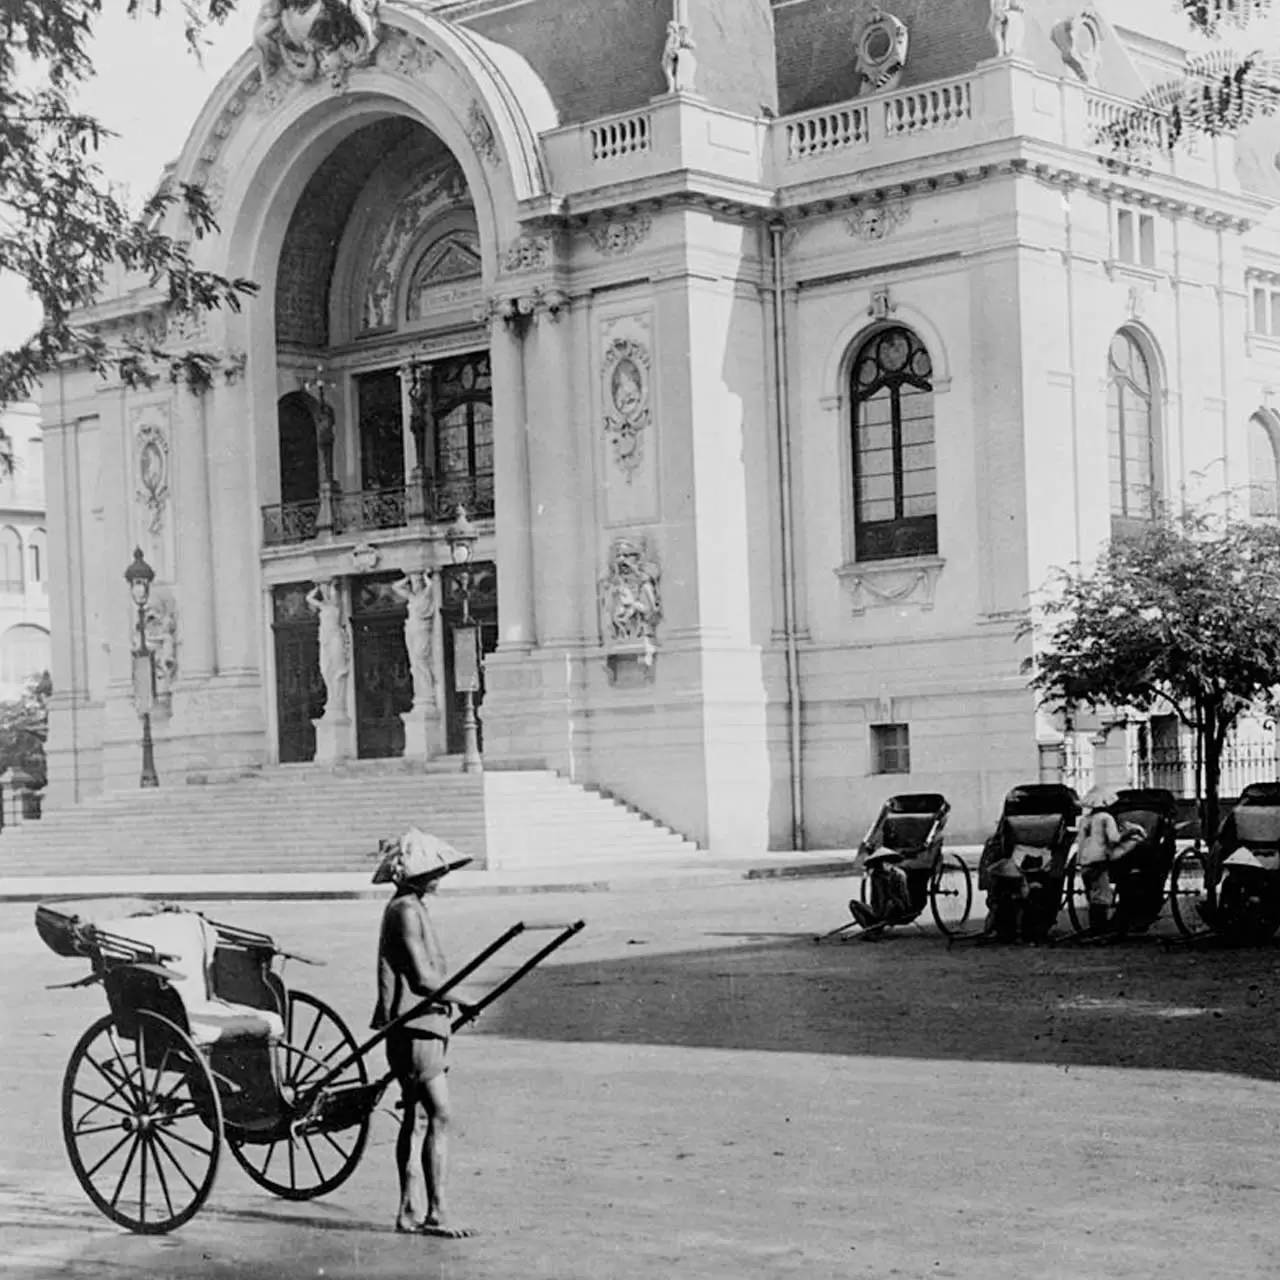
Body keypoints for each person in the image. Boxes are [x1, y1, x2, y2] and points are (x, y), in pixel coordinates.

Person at [371, 828, 475, 1238]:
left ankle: (410, 1209)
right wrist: (462, 998)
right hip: (414, 1025)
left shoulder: (410, 905)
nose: (441, 875)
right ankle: (436, 1211)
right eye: (435, 870)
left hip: (421, 1023)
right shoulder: (406, 911)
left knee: (416, 1119)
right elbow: (421, 978)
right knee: (438, 1114)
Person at [1076, 786, 1146, 936]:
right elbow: (1114, 839)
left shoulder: (1084, 820)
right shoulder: (1106, 818)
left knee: (1094, 895)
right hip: (1100, 860)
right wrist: (1130, 833)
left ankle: (1095, 927)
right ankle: (1100, 930)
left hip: (1084, 860)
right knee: (1103, 896)